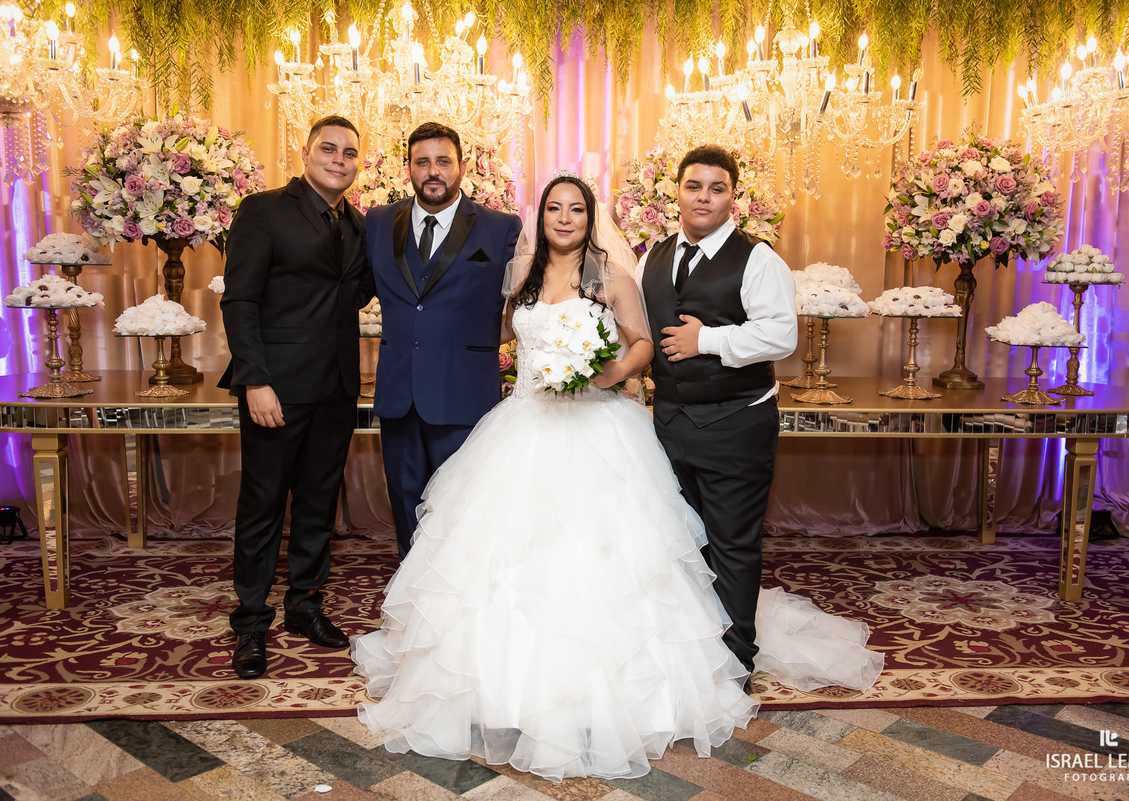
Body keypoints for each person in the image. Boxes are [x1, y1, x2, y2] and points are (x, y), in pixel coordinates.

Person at [350, 172, 882, 782]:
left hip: (598, 430)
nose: (566, 218)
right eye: (555, 207)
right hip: (522, 429)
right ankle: (500, 687)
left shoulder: (616, 279)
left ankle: (635, 686)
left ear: (590, 216)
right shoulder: (520, 284)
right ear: (542, 216)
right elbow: (491, 334)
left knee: (608, 557)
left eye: (577, 209)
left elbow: (642, 345)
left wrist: (604, 373)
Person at [638, 144, 797, 681]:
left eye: (717, 188)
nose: (703, 197)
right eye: (694, 186)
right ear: (676, 192)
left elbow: (782, 334)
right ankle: (688, 650)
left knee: (732, 542)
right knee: (680, 542)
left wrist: (707, 340)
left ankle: (734, 662)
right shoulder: (651, 257)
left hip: (736, 421)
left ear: (733, 197)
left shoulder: (758, 259)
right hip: (668, 423)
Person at [219, 115, 366, 679]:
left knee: (316, 504)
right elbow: (241, 301)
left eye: (350, 153)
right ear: (305, 154)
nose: (339, 159)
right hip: (274, 389)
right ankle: (251, 624)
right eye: (328, 149)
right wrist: (255, 379)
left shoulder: (355, 224)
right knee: (261, 508)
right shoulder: (263, 210)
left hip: (335, 388)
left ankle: (304, 605)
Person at [361, 122, 522, 559]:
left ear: (462, 167)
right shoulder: (376, 222)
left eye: (443, 161)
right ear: (408, 168)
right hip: (398, 395)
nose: (433, 171)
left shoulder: (502, 227)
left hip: (466, 395)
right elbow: (348, 290)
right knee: (406, 506)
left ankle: (459, 608)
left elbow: (527, 301)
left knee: (465, 509)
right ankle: (412, 605)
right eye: (423, 162)